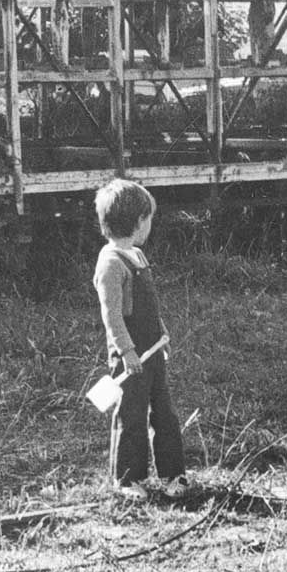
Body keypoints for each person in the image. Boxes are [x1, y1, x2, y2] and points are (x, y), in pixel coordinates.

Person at [92, 178, 189, 500]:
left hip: (153, 350)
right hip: (130, 356)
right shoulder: (110, 263)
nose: (150, 225)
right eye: (149, 219)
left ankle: (174, 474)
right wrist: (127, 351)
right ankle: (127, 478)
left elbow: (150, 303)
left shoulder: (137, 255)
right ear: (137, 222)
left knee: (165, 412)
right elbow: (112, 315)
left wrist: (162, 333)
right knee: (131, 414)